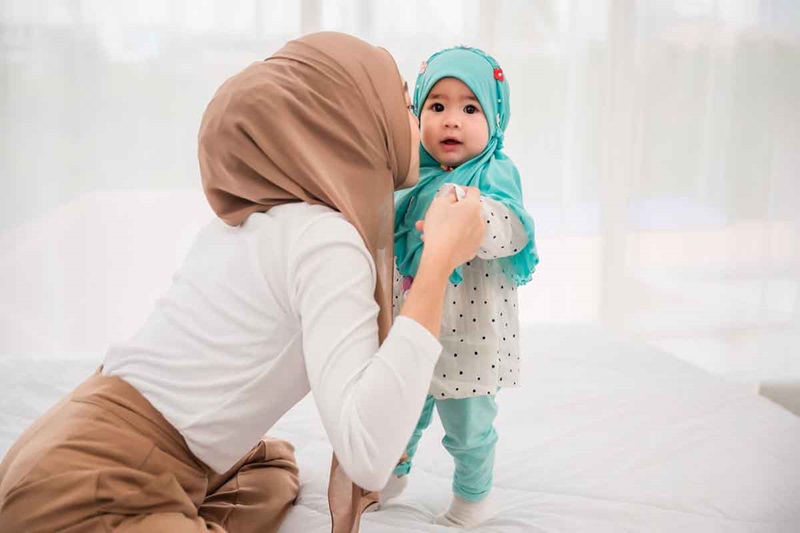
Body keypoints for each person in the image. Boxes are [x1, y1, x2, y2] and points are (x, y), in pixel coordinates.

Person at [0, 32, 486, 532]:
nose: (415, 120)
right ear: (347, 123)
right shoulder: (326, 241)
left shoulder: (254, 218)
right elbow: (367, 454)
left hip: (66, 441)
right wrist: (439, 263)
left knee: (274, 470)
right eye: (405, 102)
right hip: (87, 485)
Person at [385, 45, 538, 527]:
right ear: (417, 116)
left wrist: (473, 217)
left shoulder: (494, 175)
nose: (452, 120)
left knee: (468, 427)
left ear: (496, 117)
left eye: (470, 108)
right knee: (396, 411)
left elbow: (513, 231)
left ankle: (472, 496)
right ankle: (388, 477)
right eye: (437, 106)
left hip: (469, 338)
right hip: (409, 324)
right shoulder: (408, 176)